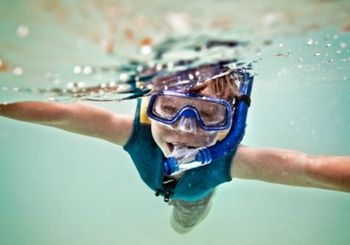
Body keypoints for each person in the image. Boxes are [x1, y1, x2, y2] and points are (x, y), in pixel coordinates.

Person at [0, 63, 349, 234]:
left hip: (193, 197)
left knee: (183, 224)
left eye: (210, 115)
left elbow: (309, 167)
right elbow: (62, 113)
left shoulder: (234, 161)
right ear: (150, 106)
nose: (185, 130)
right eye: (169, 109)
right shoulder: (130, 131)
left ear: (233, 123)